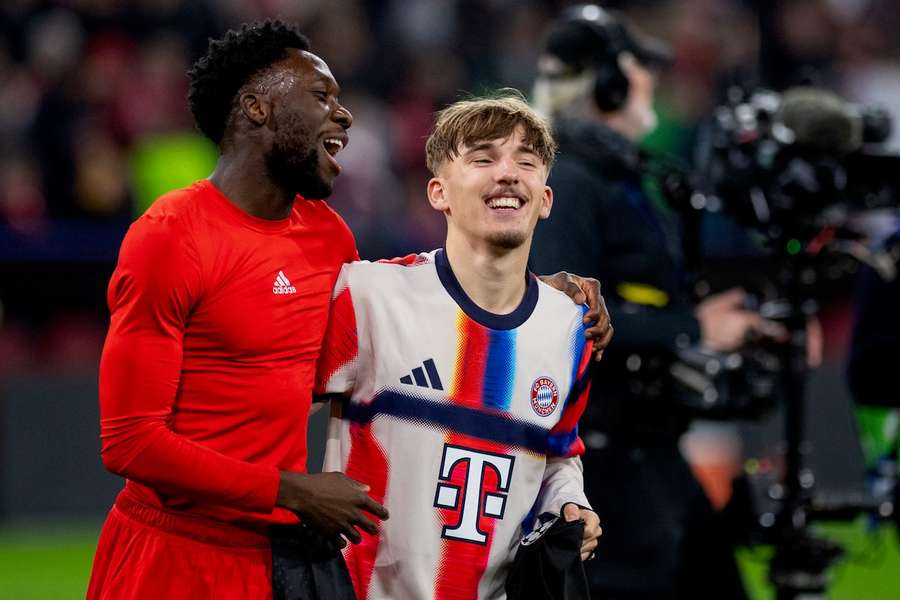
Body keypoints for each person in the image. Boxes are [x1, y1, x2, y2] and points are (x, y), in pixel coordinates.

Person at [88, 20, 611, 600]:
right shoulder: (170, 236)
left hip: (274, 559)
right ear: (257, 108)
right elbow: (129, 442)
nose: (344, 115)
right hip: (171, 549)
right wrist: (291, 491)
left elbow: (428, 309)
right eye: (321, 96)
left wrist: (534, 294)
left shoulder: (327, 237)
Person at [529, 6, 786, 599]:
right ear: (609, 83)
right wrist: (693, 327)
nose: (651, 81)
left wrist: (701, 319)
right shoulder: (568, 181)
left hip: (647, 449)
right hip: (606, 460)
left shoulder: (612, 176)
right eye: (639, 68)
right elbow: (558, 314)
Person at [314, 93, 602, 600]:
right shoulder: (368, 296)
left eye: (526, 163)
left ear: (545, 199)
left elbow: (558, 455)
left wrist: (570, 504)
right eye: (483, 159)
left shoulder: (570, 328)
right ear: (438, 192)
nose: (507, 174)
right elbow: (275, 410)